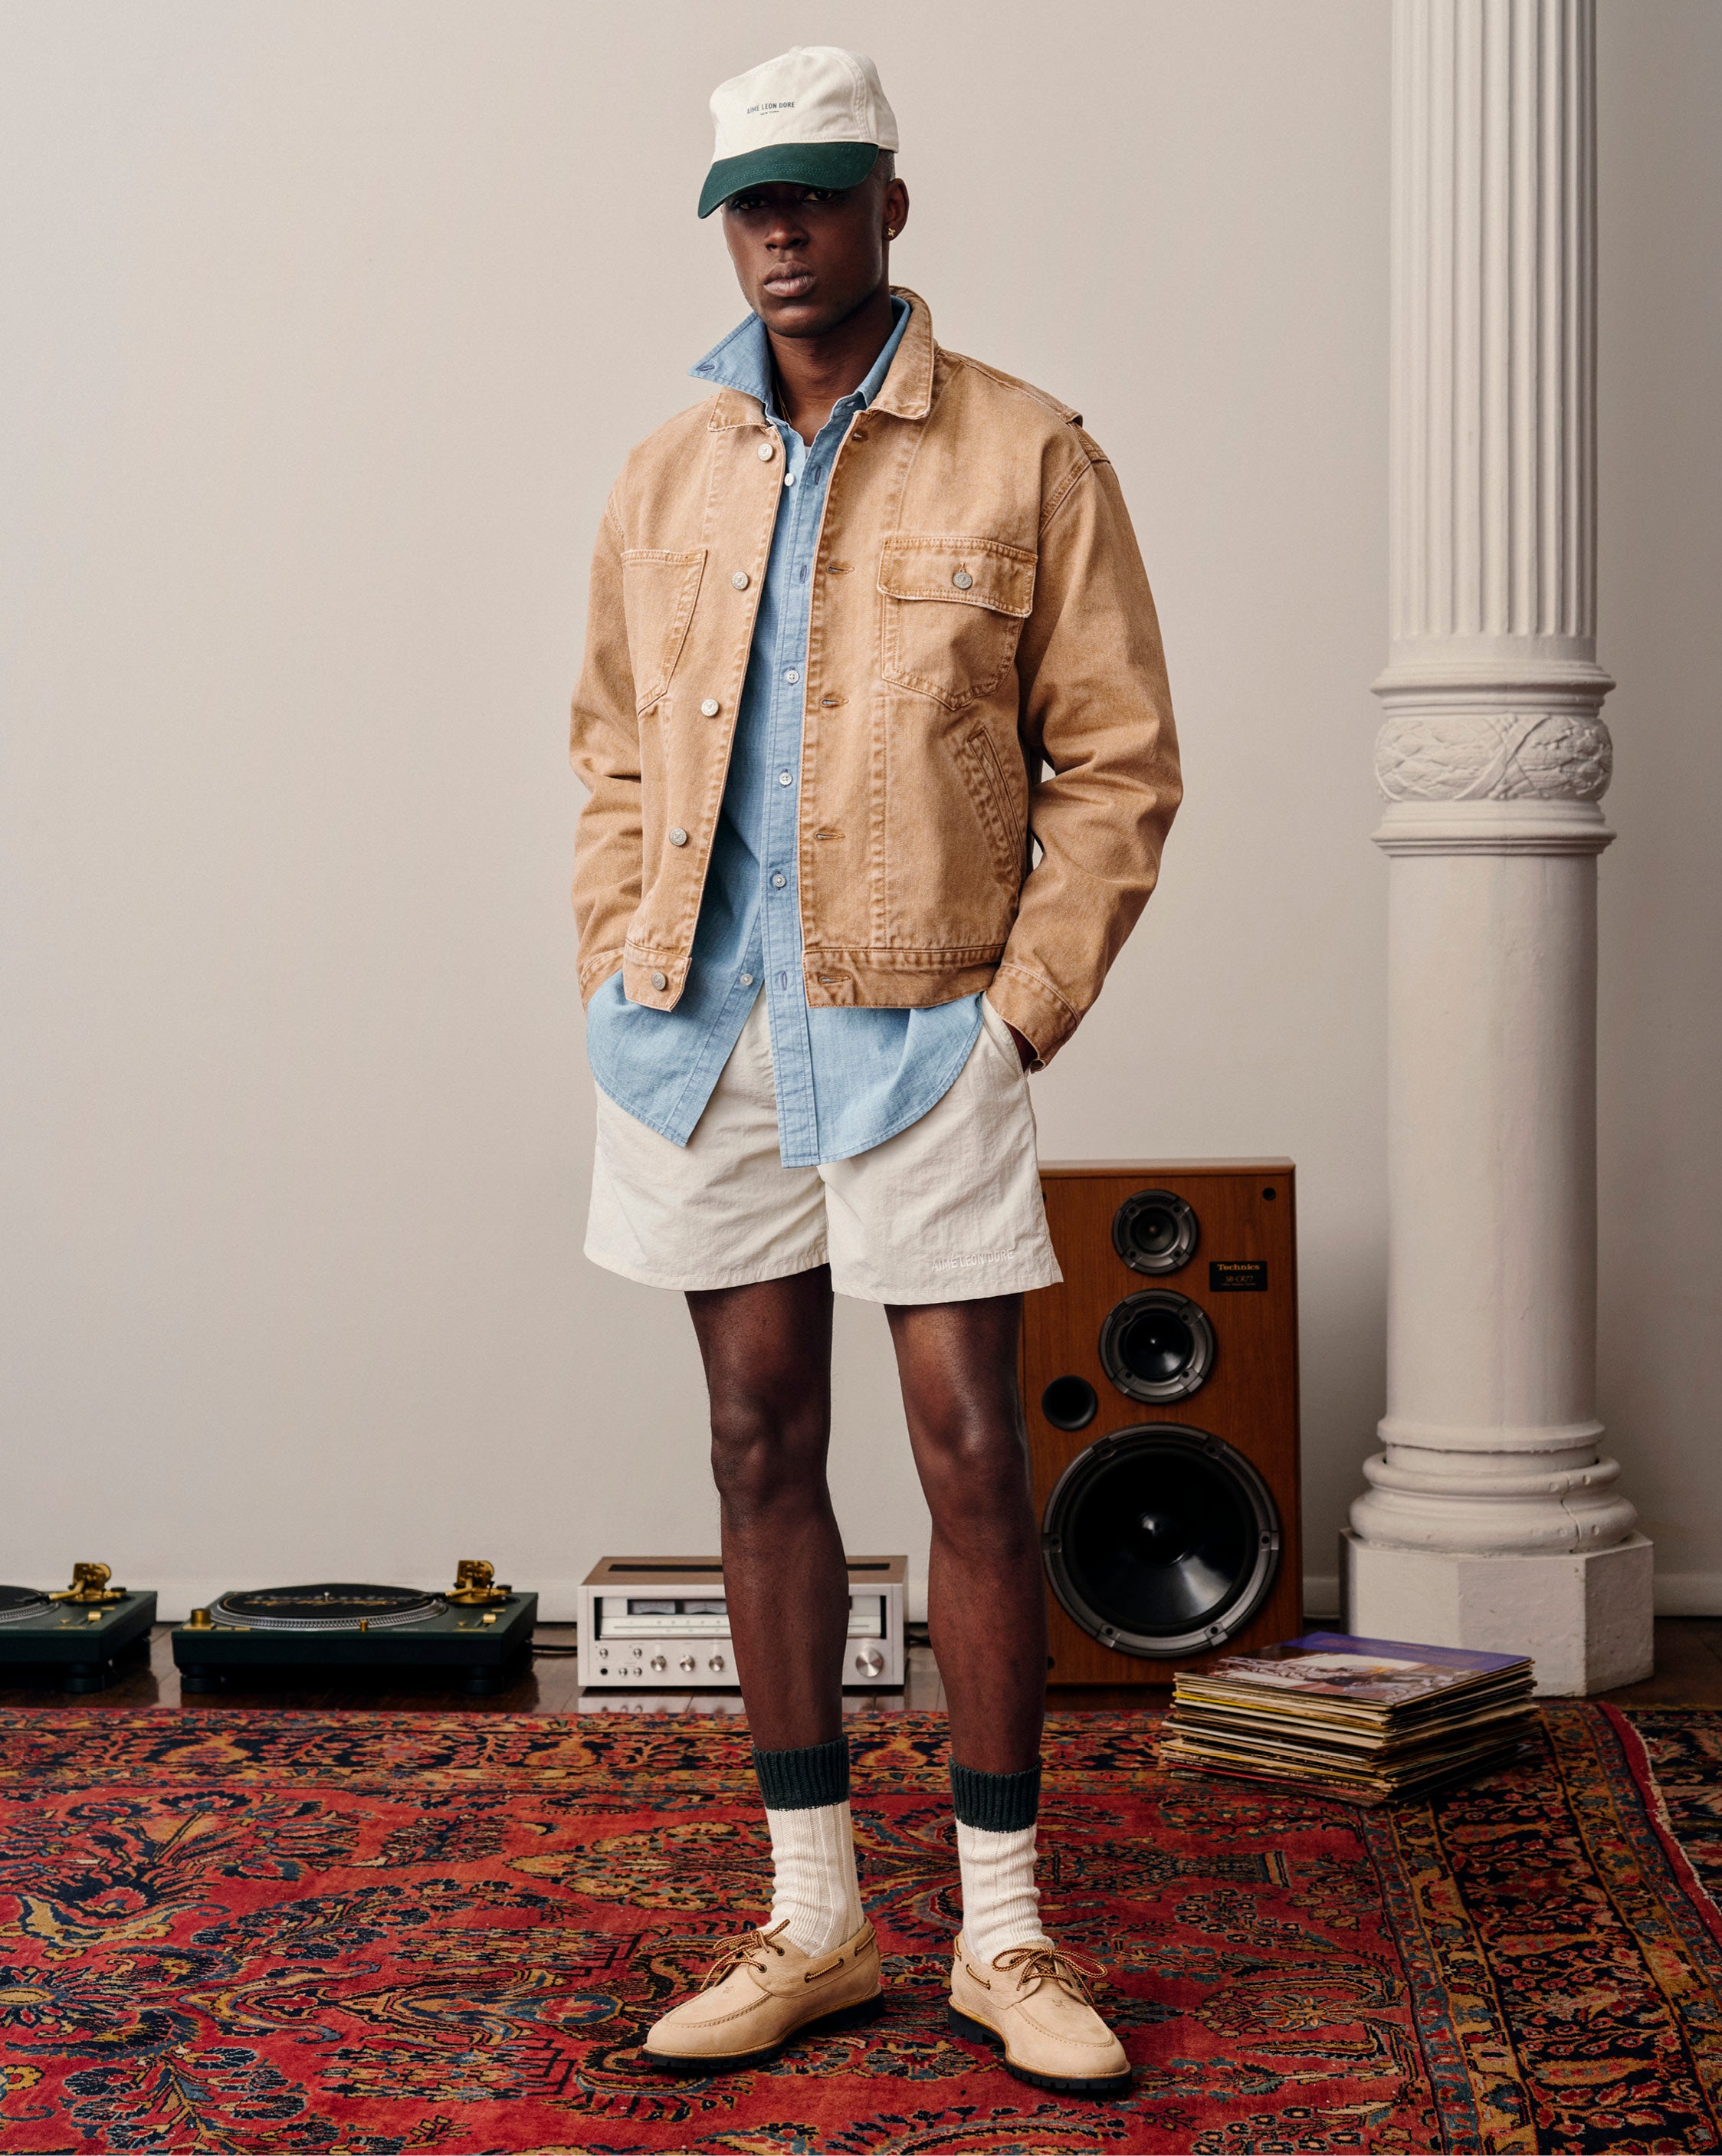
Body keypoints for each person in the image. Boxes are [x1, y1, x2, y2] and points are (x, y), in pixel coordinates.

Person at [569, 44, 1179, 2097]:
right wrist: (609, 960)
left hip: (919, 1024)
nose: (783, 235)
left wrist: (1013, 1017)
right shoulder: (664, 473)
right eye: (752, 203)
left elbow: (1115, 764)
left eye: (818, 197)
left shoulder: (1027, 454)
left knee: (969, 1453)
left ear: (888, 208)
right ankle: (812, 1918)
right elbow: (609, 746)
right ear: (723, 221)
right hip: (698, 1031)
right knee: (754, 1442)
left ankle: (1005, 1935)